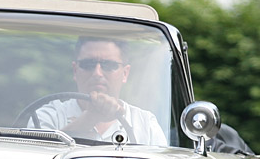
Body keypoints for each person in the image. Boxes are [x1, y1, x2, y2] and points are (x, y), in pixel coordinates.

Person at [32, 37, 168, 146]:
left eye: (109, 65)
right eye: (88, 64)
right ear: (75, 70)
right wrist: (90, 118)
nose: (97, 73)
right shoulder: (47, 116)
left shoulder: (146, 124)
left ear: (125, 73)